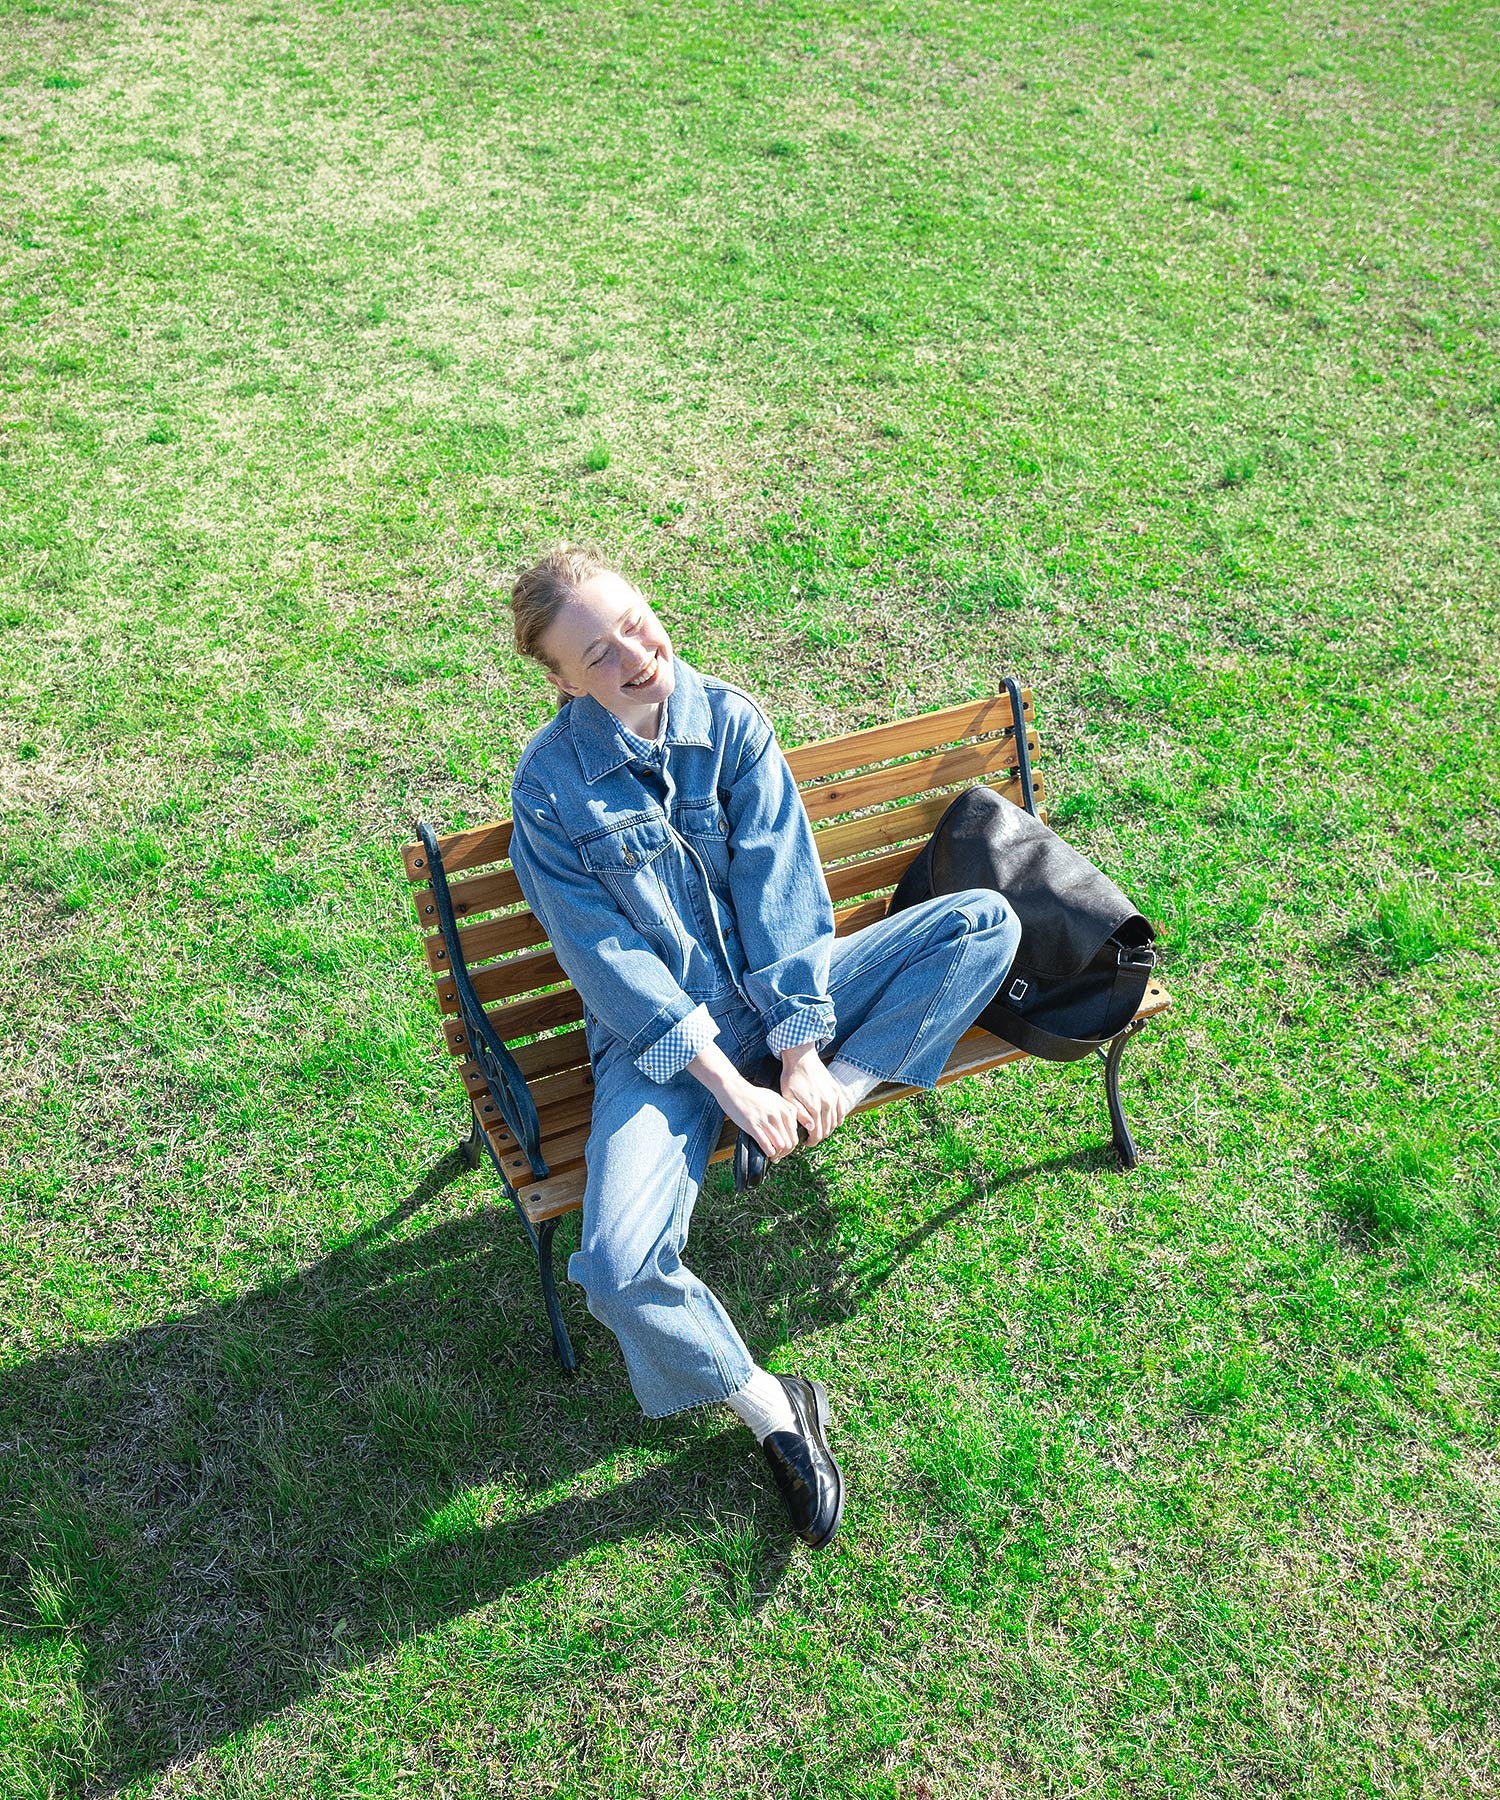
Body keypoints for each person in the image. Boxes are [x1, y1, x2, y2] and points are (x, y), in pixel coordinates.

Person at [504, 548, 1022, 1549]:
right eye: (597, 654)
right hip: (659, 1048)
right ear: (561, 681)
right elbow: (607, 961)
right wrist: (729, 1091)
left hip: (786, 1006)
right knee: (611, 1267)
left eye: (637, 623)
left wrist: (804, 1059)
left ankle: (848, 1087)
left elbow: (782, 891)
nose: (635, 656)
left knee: (983, 925)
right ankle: (775, 1411)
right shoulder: (552, 790)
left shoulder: (728, 720)